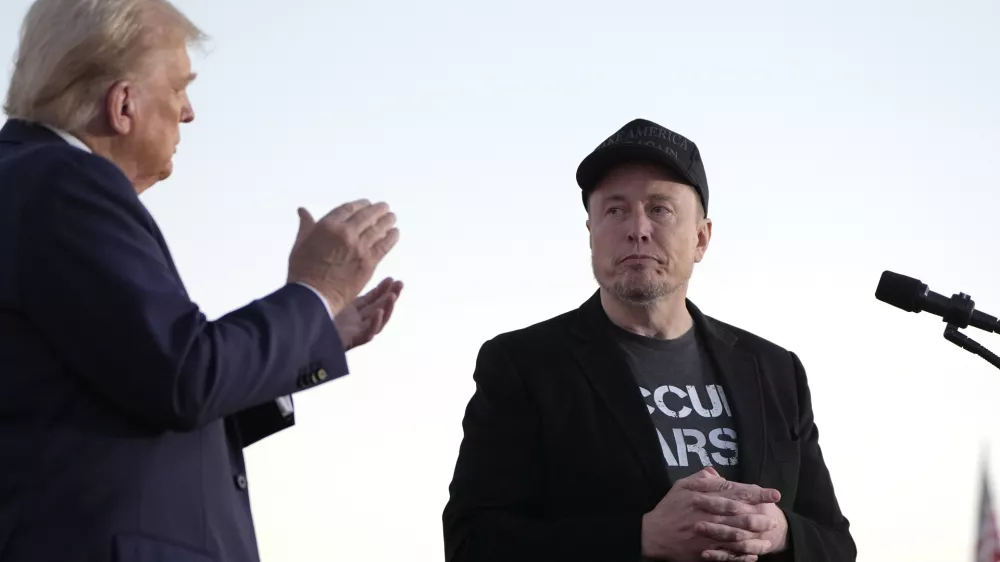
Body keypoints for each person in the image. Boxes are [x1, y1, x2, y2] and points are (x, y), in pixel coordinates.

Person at [0, 1, 402, 560]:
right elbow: (184, 379)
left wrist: (315, 328)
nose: (188, 112)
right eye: (180, 87)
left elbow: (144, 388)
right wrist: (315, 292)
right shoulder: (63, 183)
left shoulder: (30, 182)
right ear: (123, 104)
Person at [442, 118, 855, 562]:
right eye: (615, 210)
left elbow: (836, 543)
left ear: (701, 237)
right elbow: (473, 543)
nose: (636, 228)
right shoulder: (523, 364)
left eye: (660, 209)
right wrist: (639, 539)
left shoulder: (775, 370)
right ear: (592, 235)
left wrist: (781, 532)